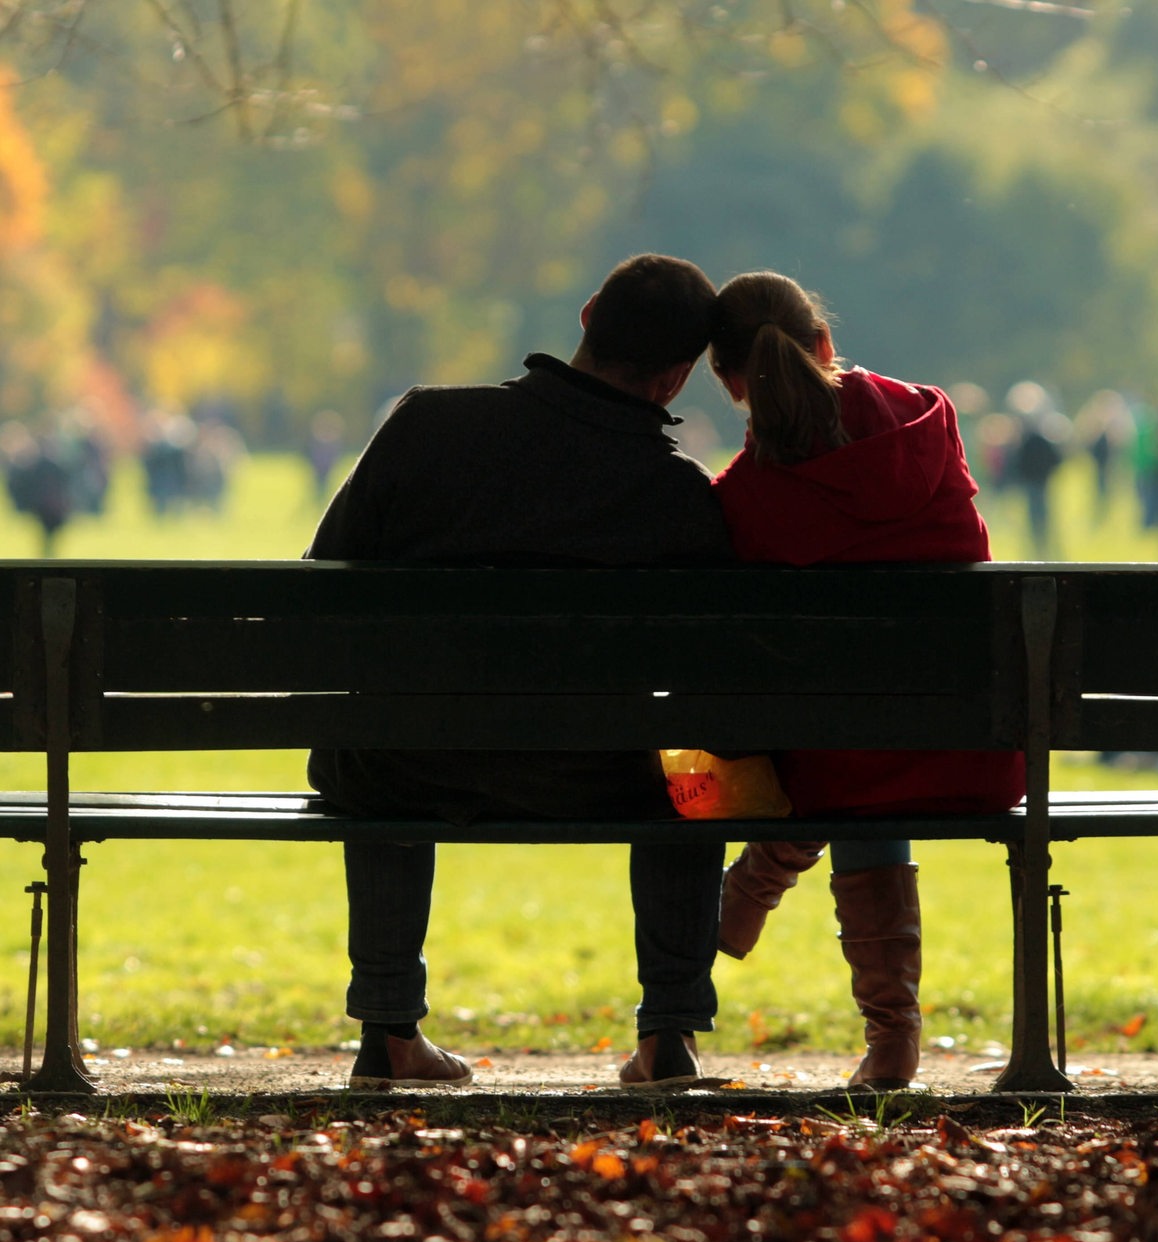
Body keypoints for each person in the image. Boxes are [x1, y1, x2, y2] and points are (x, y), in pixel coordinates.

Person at [305, 254, 735, 1090]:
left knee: (384, 745)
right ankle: (669, 1036)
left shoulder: (426, 425)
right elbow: (711, 674)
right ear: (676, 378)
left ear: (584, 317)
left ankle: (389, 1031)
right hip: (601, 776)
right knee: (698, 772)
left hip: (407, 764)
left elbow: (326, 582)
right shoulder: (674, 491)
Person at [705, 270, 1026, 1090]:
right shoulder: (929, 419)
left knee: (836, 738)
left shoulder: (746, 499)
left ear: (730, 383)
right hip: (974, 752)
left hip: (839, 767)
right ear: (825, 344)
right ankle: (887, 1035)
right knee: (860, 733)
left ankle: (766, 879)